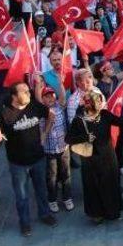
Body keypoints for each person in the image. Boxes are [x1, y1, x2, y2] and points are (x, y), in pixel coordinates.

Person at [66, 90, 123, 224]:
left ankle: (113, 212)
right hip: (89, 160)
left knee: (110, 185)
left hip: (108, 157)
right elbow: (68, 139)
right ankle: (96, 214)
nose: (101, 103)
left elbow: (122, 122)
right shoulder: (78, 120)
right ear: (90, 104)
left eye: (100, 100)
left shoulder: (104, 114)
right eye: (98, 101)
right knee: (92, 187)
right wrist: (85, 137)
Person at [0, 82, 57, 236]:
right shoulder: (5, 114)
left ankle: (44, 214)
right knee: (21, 196)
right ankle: (24, 223)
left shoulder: (35, 106)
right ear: (14, 96)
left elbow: (50, 115)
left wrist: (45, 133)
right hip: (18, 163)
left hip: (38, 158)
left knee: (41, 190)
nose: (29, 94)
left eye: (28, 91)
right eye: (24, 91)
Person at [34, 76, 73, 213]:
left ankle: (67, 197)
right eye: (46, 96)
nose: (50, 99)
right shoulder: (41, 110)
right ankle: (52, 199)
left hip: (64, 148)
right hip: (49, 150)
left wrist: (61, 83)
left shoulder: (59, 107)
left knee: (66, 174)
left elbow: (62, 96)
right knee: (52, 177)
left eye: (51, 96)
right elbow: (37, 99)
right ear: (42, 99)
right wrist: (38, 85)